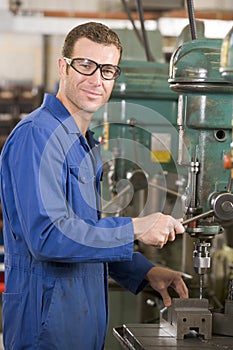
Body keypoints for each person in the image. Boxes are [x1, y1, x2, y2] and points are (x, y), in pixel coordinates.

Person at [0, 22, 188, 350]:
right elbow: (48, 237)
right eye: (85, 65)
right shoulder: (37, 136)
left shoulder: (83, 143)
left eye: (107, 70)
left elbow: (85, 233)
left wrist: (144, 271)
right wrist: (133, 227)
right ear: (63, 66)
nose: (96, 79)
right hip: (45, 329)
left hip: (81, 326)